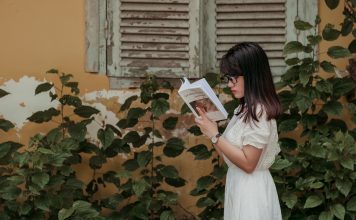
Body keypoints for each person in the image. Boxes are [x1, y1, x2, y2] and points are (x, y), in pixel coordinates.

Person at [194, 42, 282, 220]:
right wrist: (211, 130)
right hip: (239, 185)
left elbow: (249, 164)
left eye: (234, 78)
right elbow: (230, 157)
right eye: (227, 78)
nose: (229, 84)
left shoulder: (259, 111)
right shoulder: (243, 110)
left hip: (252, 192)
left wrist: (215, 135)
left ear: (252, 75)